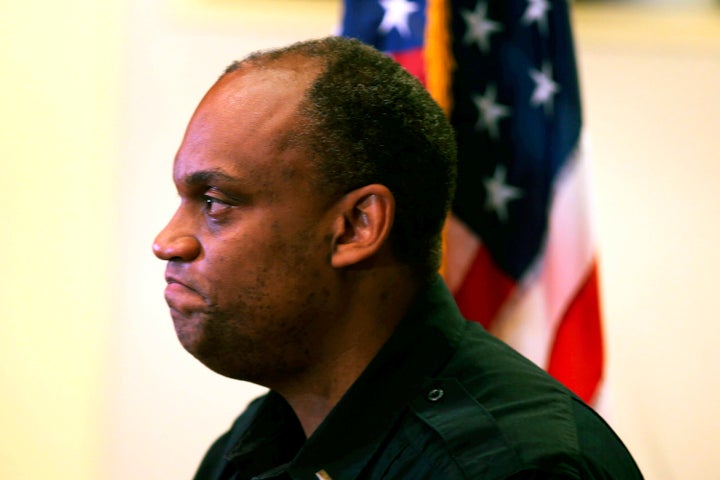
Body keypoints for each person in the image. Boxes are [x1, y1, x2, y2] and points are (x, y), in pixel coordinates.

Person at [152, 36, 643, 480]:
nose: (167, 241)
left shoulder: (510, 468)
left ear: (355, 227)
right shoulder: (253, 446)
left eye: (215, 202)